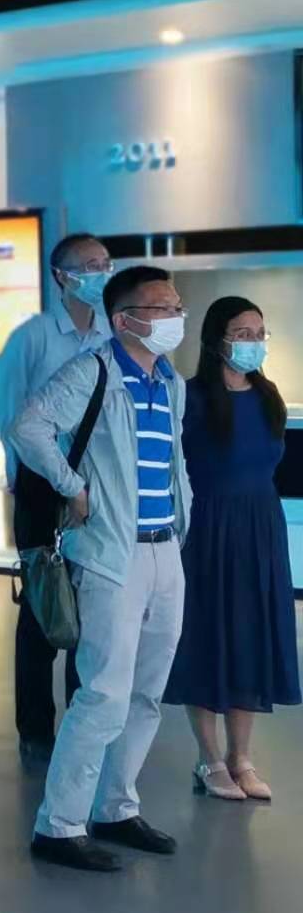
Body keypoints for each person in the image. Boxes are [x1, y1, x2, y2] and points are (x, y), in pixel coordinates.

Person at [12, 265, 191, 873]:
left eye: (176, 306)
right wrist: (72, 485)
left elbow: (175, 461)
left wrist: (183, 521)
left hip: (165, 551)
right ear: (125, 319)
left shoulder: (170, 381)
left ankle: (116, 806)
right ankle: (59, 825)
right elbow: (29, 426)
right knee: (104, 694)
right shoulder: (92, 371)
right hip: (111, 555)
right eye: (162, 307)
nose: (175, 316)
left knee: (147, 693)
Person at [163, 297, 298, 801]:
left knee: (250, 637)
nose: (253, 343)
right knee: (206, 636)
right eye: (242, 333)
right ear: (216, 339)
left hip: (261, 527)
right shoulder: (191, 397)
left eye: (259, 333)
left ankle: (242, 757)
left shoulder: (267, 395)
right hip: (208, 529)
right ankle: (209, 759)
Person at [0, 234, 113, 766]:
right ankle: (36, 729)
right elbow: (11, 418)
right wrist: (22, 482)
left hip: (99, 482)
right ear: (61, 276)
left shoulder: (112, 333)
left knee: (93, 601)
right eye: (89, 265)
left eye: (106, 263)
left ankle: (81, 723)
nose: (101, 272)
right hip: (44, 483)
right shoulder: (33, 338)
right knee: (45, 605)